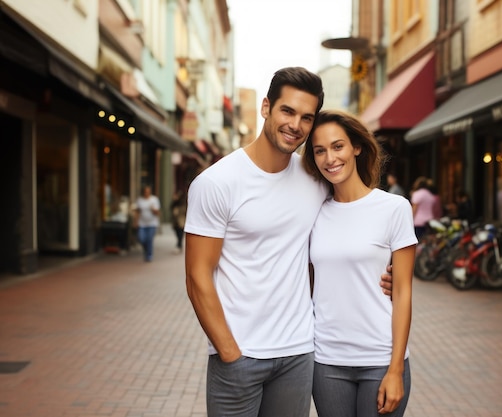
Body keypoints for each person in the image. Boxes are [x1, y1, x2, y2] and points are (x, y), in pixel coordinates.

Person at [184, 67, 393, 417]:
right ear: (266, 107)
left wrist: (388, 273)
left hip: (298, 355)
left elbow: (351, 224)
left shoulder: (314, 178)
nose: (295, 124)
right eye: (287, 111)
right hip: (239, 355)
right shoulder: (217, 183)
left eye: (306, 117)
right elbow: (197, 277)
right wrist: (229, 352)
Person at [302, 110, 416, 417]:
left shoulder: (394, 208)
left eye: (337, 146)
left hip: (380, 358)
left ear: (356, 147)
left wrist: (395, 369)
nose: (330, 158)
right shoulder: (313, 212)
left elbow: (403, 292)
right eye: (320, 150)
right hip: (327, 360)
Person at [133, 185, 160, 262]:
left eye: (148, 192)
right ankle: (146, 250)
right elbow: (137, 211)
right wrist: (135, 222)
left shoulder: (154, 200)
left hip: (152, 224)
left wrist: (153, 209)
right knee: (141, 238)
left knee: (149, 239)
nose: (146, 193)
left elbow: (158, 213)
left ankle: (149, 255)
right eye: (145, 192)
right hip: (142, 223)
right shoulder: (140, 200)